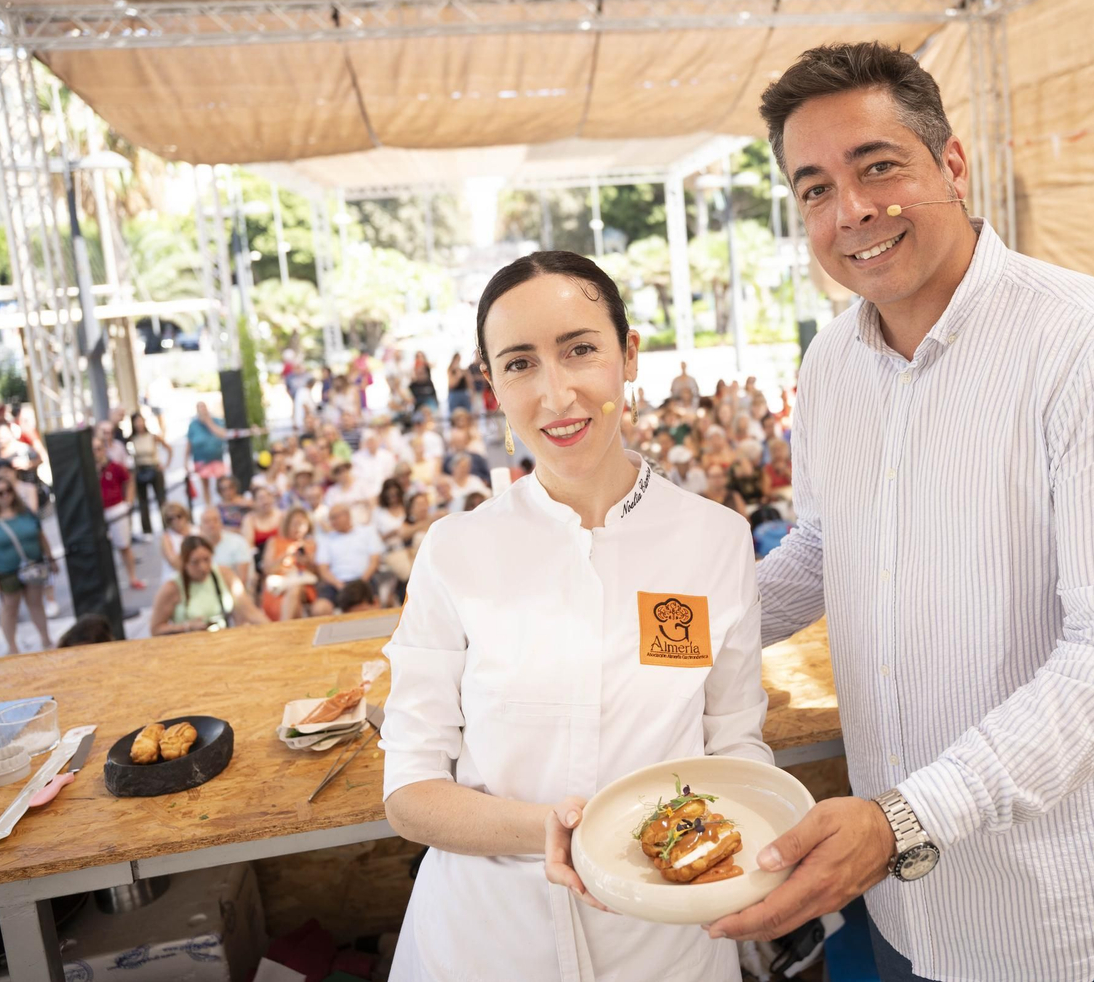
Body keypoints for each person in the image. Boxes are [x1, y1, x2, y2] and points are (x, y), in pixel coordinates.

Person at [709, 43, 1094, 982]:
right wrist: (659, 633)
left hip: (1065, 915)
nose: (850, 211)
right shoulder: (832, 365)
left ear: (953, 164)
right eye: (814, 189)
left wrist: (905, 817)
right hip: (910, 903)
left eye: (878, 166)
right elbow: (820, 550)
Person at [380, 251, 770, 981]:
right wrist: (555, 832)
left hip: (664, 945)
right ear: (492, 387)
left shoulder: (715, 540)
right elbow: (411, 792)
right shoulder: (457, 551)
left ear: (628, 357)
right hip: (485, 943)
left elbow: (735, 745)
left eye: (580, 350)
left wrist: (727, 853)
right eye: (521, 364)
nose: (556, 393)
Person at [0, 476, 56, 654]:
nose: (5, 496)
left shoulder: (25, 512)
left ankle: (46, 640)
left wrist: (50, 558)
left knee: (36, 603)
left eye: (8, 490)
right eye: (0, 493)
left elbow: (41, 536)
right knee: (11, 606)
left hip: (33, 566)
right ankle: (12, 647)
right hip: (6, 572)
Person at [150, 535, 267, 634]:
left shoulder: (224, 575)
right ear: (184, 563)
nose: (203, 567)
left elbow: (249, 611)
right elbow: (155, 629)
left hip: (222, 639)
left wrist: (274, 629)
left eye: (207, 559)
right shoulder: (172, 587)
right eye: (195, 562)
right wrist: (187, 626)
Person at [311, 503, 383, 614]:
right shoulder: (326, 539)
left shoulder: (367, 532)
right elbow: (323, 570)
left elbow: (374, 562)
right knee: (319, 608)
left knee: (370, 608)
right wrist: (339, 585)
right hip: (336, 584)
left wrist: (359, 584)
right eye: (330, 518)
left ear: (347, 515)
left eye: (335, 517)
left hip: (364, 580)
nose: (332, 521)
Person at [94, 433, 144, 591]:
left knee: (124, 546)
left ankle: (133, 577)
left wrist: (128, 502)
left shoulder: (114, 467)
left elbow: (129, 480)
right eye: (94, 450)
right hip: (99, 512)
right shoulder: (90, 471)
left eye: (99, 449)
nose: (97, 452)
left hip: (116, 509)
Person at [261, 507, 320, 621]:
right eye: (295, 524)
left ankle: (284, 626)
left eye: (302, 524)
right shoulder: (274, 542)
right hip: (278, 585)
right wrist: (286, 554)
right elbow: (267, 569)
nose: (298, 528)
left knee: (295, 589)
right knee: (295, 606)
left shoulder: (310, 544)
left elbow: (317, 574)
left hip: (302, 585)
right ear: (287, 524)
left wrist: (306, 561)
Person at [129, 412, 172, 537]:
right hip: (140, 471)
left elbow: (168, 448)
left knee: (161, 499)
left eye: (140, 421)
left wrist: (165, 465)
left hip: (154, 469)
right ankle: (147, 530)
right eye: (136, 421)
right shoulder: (132, 439)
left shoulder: (152, 436)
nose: (139, 424)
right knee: (143, 502)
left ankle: (167, 526)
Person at [199, 506, 256, 595]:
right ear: (200, 527)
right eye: (207, 522)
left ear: (221, 523)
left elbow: (242, 578)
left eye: (215, 520)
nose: (212, 524)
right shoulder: (196, 548)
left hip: (234, 594)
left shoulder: (238, 542)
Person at [184, 401, 232, 505]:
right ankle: (208, 506)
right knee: (205, 485)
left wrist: (208, 422)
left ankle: (224, 504)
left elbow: (222, 434)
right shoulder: (193, 425)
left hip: (217, 459)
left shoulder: (217, 421)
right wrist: (185, 461)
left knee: (222, 484)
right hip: (201, 460)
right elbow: (189, 444)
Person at [158, 502, 193, 587]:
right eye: (170, 519)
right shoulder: (166, 537)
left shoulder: (197, 531)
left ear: (185, 515)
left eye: (179, 516)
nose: (175, 521)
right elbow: (174, 562)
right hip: (176, 578)